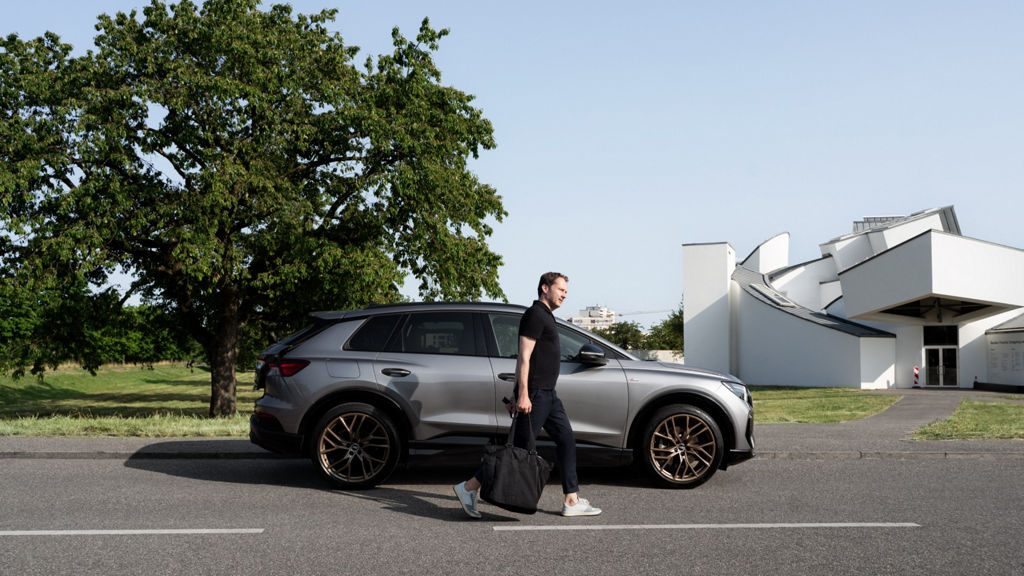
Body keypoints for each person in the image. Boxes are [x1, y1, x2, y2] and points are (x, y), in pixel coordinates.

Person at [453, 272, 602, 518]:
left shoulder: (546, 317)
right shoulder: (534, 315)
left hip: (548, 394)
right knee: (519, 449)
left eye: (566, 290)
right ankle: (468, 487)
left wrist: (517, 394)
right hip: (535, 394)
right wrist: (522, 395)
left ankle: (572, 500)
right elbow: (523, 357)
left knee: (566, 439)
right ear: (545, 288)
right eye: (561, 289)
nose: (565, 294)